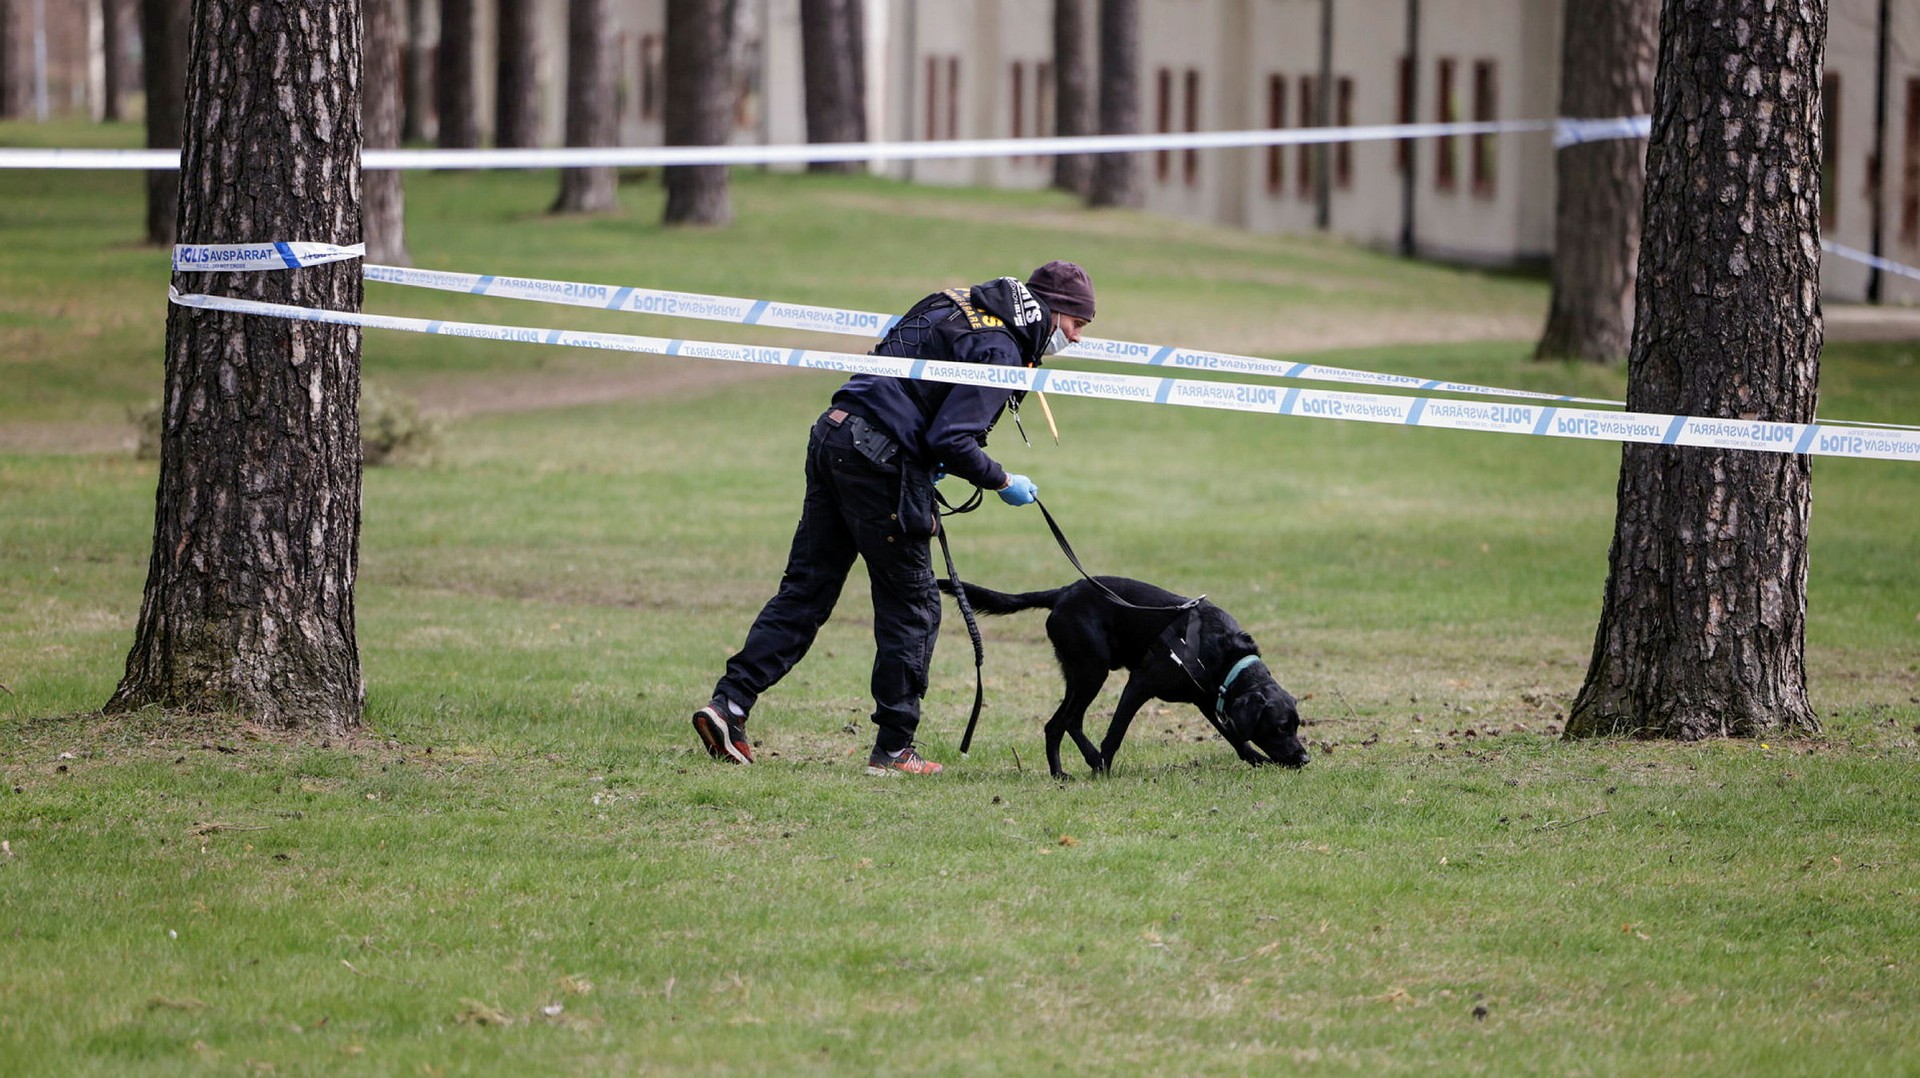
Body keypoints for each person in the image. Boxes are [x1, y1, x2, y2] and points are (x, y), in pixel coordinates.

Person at [692, 261, 1098, 775]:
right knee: (914, 606)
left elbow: (915, 395)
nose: (1078, 339)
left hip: (835, 433)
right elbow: (951, 438)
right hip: (880, 461)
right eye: (1078, 325)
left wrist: (929, 460)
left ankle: (728, 704)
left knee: (806, 590)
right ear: (1053, 310)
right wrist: (1000, 480)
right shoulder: (1003, 349)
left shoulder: (955, 302)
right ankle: (894, 748)